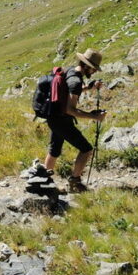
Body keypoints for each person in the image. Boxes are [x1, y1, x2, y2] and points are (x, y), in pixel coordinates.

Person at [41, 48, 107, 193]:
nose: (94, 72)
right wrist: (94, 116)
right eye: (94, 69)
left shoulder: (71, 71)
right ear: (86, 66)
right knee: (86, 149)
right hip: (61, 119)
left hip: (53, 116)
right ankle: (75, 183)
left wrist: (88, 88)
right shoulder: (76, 80)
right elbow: (69, 109)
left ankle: (44, 182)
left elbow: (70, 90)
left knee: (54, 149)